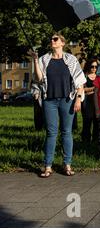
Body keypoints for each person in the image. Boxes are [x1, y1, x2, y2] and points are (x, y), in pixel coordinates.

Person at [28, 33, 86, 177]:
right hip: (50, 100)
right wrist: (35, 61)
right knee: (51, 133)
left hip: (67, 100)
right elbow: (39, 79)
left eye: (55, 39)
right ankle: (48, 166)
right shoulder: (44, 59)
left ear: (62, 43)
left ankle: (67, 164)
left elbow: (79, 81)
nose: (52, 41)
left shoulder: (71, 59)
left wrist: (78, 99)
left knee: (66, 132)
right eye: (51, 39)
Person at [81, 58, 99, 143]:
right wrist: (94, 89)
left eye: (96, 66)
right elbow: (82, 89)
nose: (94, 68)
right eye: (92, 66)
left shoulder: (99, 76)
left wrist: (92, 89)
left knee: (97, 121)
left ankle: (95, 140)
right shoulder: (84, 76)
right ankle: (86, 140)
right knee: (87, 121)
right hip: (87, 100)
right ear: (88, 66)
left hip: (97, 101)